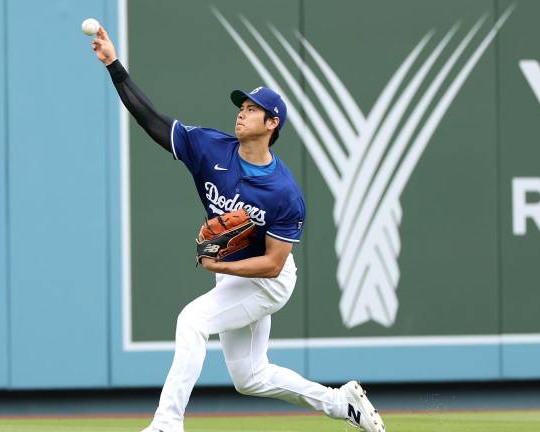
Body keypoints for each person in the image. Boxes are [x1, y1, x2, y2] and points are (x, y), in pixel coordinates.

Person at [91, 26, 386, 432]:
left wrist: (220, 267)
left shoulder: (284, 193)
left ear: (272, 122)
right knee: (250, 377)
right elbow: (152, 120)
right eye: (241, 106)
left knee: (192, 321)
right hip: (235, 274)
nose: (242, 113)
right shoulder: (210, 148)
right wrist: (114, 65)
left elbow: (273, 265)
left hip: (267, 280)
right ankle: (340, 403)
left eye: (251, 109)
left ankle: (167, 423)